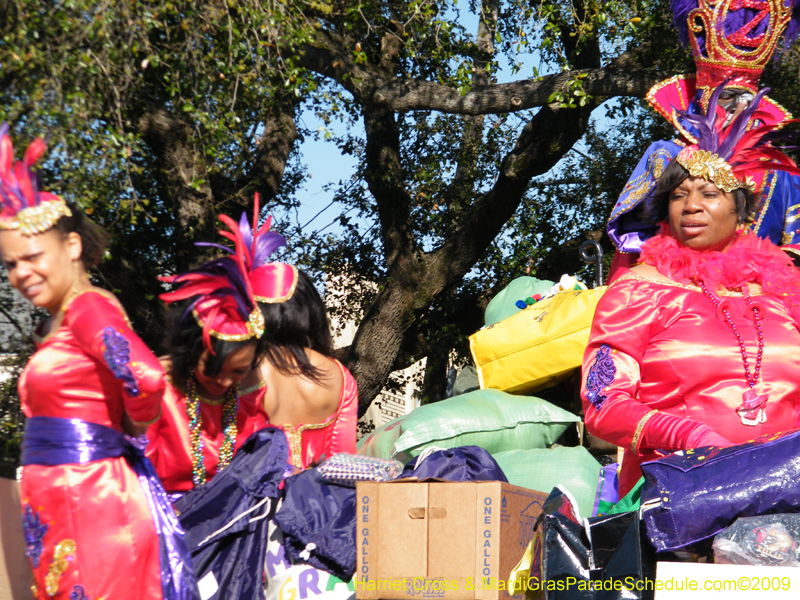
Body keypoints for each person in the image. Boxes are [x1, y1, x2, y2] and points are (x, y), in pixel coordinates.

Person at [0, 124, 196, 599]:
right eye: (9, 265)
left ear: (71, 247)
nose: (21, 274)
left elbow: (147, 378)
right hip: (68, 497)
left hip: (91, 494)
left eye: (31, 257)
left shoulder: (88, 308)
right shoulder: (60, 322)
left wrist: (123, 433)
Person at [581, 87, 800, 497]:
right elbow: (600, 400)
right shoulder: (638, 291)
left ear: (740, 211)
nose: (691, 206)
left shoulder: (786, 291)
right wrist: (686, 434)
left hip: (786, 501)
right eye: (679, 195)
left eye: (709, 194)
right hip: (679, 500)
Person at [607, 0, 800, 277]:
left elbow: (795, 244)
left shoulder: (778, 170)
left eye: (745, 99)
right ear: (703, 98)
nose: (736, 107)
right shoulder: (666, 155)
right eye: (726, 97)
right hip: (674, 291)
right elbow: (635, 240)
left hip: (758, 298)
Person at [216, 197, 358, 468]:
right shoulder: (341, 377)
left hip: (245, 505)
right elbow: (343, 465)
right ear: (311, 313)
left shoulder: (241, 367)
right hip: (314, 507)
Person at [146, 255, 269, 493]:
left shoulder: (250, 399)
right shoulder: (158, 390)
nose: (223, 382)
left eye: (238, 371)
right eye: (211, 370)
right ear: (191, 351)